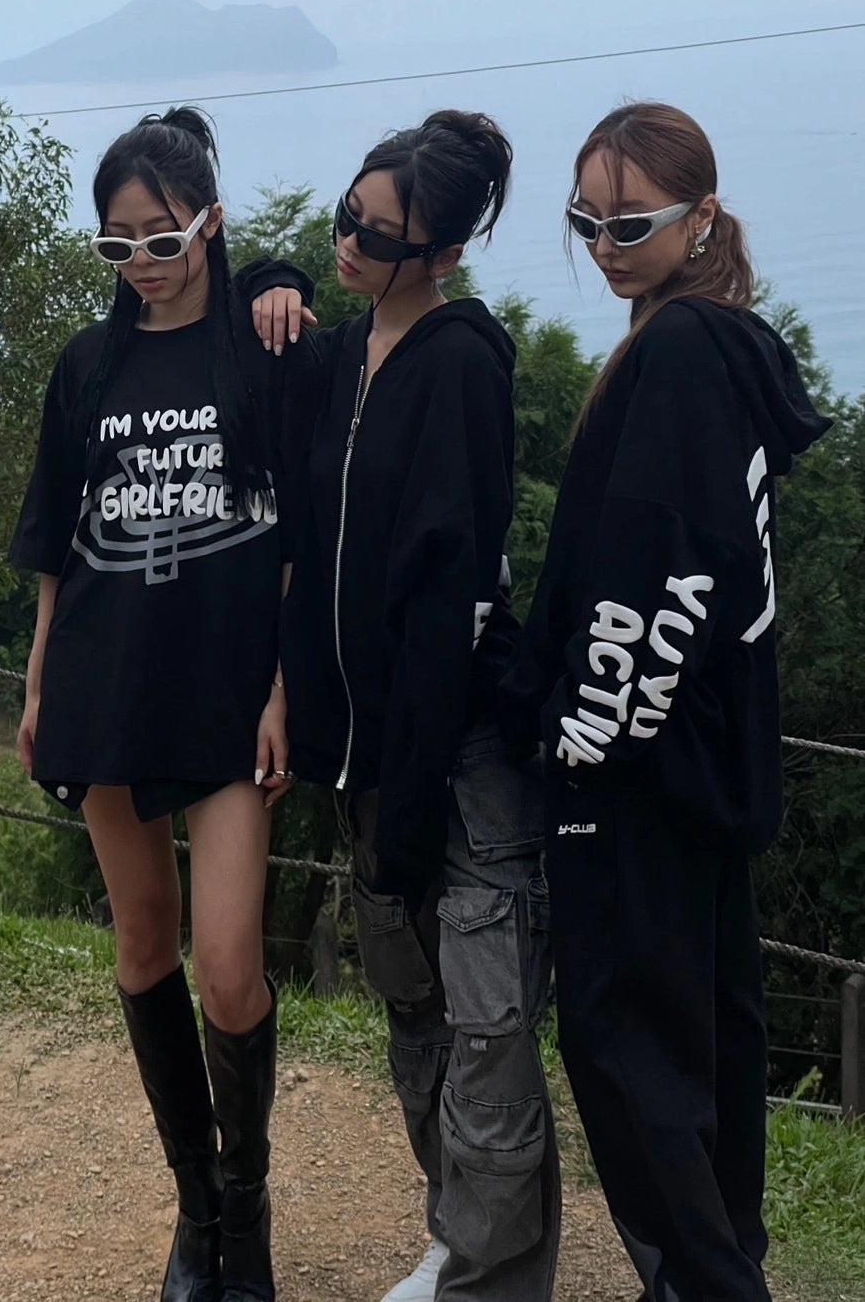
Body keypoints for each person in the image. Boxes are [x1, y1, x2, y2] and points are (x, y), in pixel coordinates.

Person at [500, 102, 831, 1302]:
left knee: (625, 1049)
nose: (603, 246)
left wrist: (581, 735)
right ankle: (720, 1269)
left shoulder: (682, 351)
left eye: (630, 223)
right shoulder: (717, 342)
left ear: (700, 217)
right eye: (584, 221)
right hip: (705, 770)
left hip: (635, 769)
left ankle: (705, 1282)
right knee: (707, 1045)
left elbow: (659, 574)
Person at [253, 110, 561, 1302]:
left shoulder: (462, 364)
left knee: (485, 1019)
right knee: (415, 1007)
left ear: (444, 253)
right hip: (364, 755)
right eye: (347, 216)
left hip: (456, 751)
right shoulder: (338, 358)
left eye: (378, 238)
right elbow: (289, 515)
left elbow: (448, 596)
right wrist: (270, 276)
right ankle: (458, 1236)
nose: (350, 243)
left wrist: (420, 787)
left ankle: (492, 1271)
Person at [10, 108, 315, 1302]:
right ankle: (198, 1216)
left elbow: (298, 542)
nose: (141, 261)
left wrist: (283, 684)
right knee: (143, 942)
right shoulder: (88, 365)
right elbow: (56, 543)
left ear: (210, 224)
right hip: (104, 683)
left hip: (227, 696)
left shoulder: (262, 354)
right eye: (117, 243)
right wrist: (41, 684)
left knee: (229, 968)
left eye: (163, 237)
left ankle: (250, 1201)